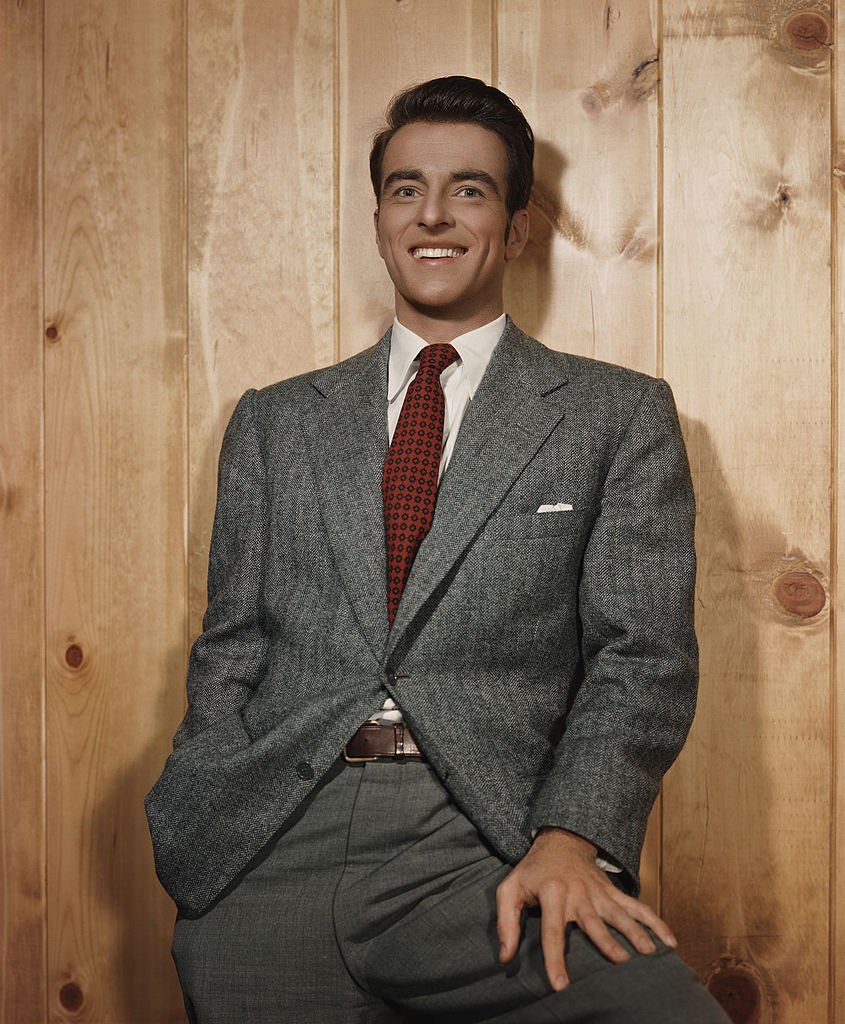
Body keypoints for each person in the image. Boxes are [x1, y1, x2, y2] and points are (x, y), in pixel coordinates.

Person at [146, 76, 729, 1023]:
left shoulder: (612, 415)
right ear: (379, 219)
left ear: (517, 224)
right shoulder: (275, 422)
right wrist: (204, 819)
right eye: (406, 188)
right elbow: (232, 646)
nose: (434, 214)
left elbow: (642, 655)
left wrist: (572, 837)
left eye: (469, 189)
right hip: (269, 843)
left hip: (486, 841)